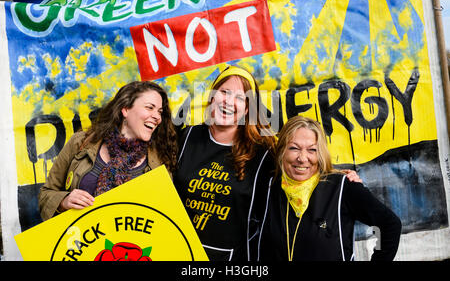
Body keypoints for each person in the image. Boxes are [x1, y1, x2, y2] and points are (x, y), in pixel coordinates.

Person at [173, 66, 361, 261]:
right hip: (179, 252)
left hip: (236, 261)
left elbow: (301, 170)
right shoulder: (188, 136)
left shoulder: (263, 152)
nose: (229, 101)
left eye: (240, 98)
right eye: (224, 92)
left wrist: (339, 177)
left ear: (247, 108)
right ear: (212, 95)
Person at [257, 116, 402, 261]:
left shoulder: (342, 187)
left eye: (312, 150)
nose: (302, 158)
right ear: (282, 150)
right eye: (294, 148)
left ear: (320, 153)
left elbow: (390, 225)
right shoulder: (268, 188)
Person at [38, 81, 178, 221]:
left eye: (160, 112)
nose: (157, 117)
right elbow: (46, 194)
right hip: (81, 239)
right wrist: (63, 201)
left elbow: (166, 218)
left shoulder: (159, 160)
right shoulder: (80, 142)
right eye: (149, 108)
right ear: (125, 109)